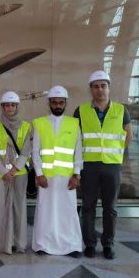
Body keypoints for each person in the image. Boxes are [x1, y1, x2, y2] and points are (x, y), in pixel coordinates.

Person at [75, 70, 132, 259]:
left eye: (103, 86)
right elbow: (75, 139)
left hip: (112, 166)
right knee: (88, 206)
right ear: (91, 89)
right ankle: (90, 244)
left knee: (110, 208)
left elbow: (128, 136)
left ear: (109, 87)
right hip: (89, 165)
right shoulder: (81, 111)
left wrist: (114, 151)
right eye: (96, 86)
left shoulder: (121, 110)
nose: (100, 89)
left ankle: (108, 244)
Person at [32, 85, 83, 258]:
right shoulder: (39, 123)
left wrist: (77, 175)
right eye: (54, 102)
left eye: (61, 102)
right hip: (46, 178)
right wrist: (39, 174)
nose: (58, 105)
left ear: (66, 103)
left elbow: (78, 152)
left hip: (67, 178)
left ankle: (71, 245)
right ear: (49, 103)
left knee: (68, 212)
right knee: (45, 211)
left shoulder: (74, 123)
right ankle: (43, 244)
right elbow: (35, 152)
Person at [0, 91, 32, 254]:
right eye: (7, 105)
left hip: (19, 174)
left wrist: (14, 170)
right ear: (2, 107)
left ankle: (19, 243)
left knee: (19, 209)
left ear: (17, 107)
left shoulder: (26, 126)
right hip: (0, 175)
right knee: (1, 209)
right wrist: (4, 171)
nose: (10, 108)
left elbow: (26, 151)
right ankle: (2, 244)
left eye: (13, 105)